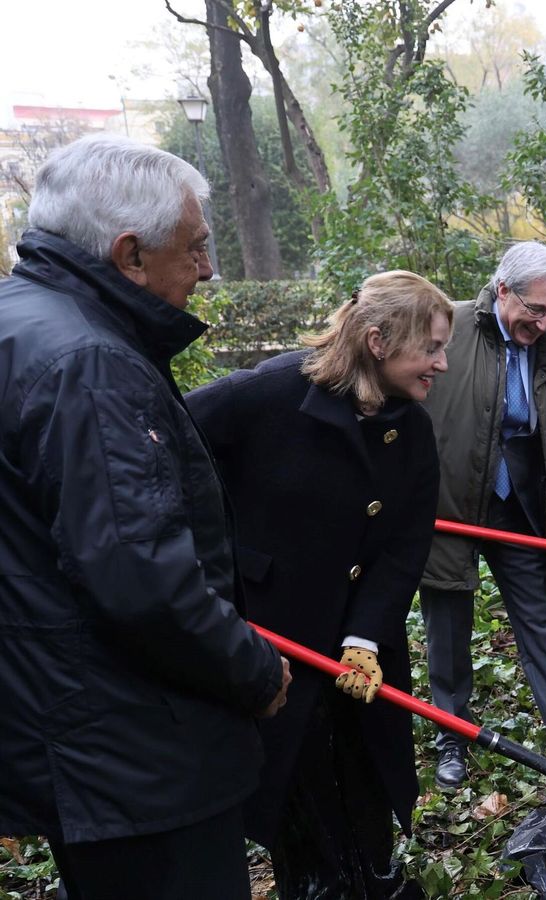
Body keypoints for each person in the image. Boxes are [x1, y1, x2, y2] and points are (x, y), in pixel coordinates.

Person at [0, 134, 290, 899]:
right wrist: (251, 667)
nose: (206, 269)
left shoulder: (19, 321)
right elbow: (139, 576)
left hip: (64, 723)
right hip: (133, 751)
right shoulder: (88, 362)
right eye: (194, 248)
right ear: (129, 255)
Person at [186, 271, 451, 898]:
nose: (442, 364)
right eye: (432, 348)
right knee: (296, 781)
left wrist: (366, 635)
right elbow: (166, 446)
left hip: (363, 640)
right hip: (277, 633)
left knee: (366, 768)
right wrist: (217, 557)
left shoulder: (409, 423)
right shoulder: (268, 393)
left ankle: (377, 879)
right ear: (379, 341)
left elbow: (406, 542)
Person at [419, 240, 546, 789]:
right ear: (503, 289)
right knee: (448, 622)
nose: (544, 322)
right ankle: (451, 735)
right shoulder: (449, 326)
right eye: (535, 310)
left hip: (519, 500)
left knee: (540, 614)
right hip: (448, 502)